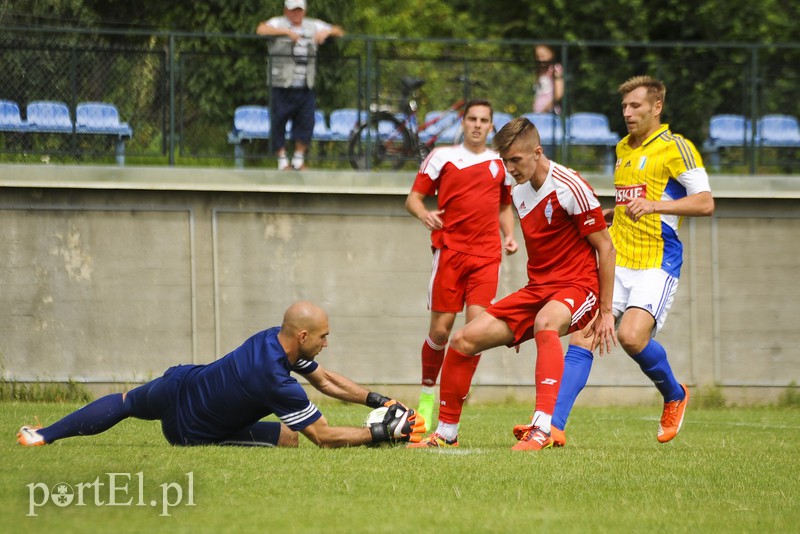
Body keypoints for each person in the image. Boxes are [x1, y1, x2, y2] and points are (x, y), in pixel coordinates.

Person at [409, 117, 617, 451]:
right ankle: (446, 433)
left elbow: (605, 248)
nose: (510, 168)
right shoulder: (518, 191)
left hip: (580, 286)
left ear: (537, 152)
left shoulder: (570, 185)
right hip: (538, 289)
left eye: (516, 160)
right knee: (462, 339)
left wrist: (605, 311)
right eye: (505, 161)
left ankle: (542, 428)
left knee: (545, 322)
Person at [547, 75, 715, 447]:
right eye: (624, 106)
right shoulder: (622, 149)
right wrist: (601, 216)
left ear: (657, 107)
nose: (627, 112)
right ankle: (552, 428)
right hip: (618, 259)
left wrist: (655, 205)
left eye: (635, 105)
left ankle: (674, 394)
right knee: (583, 335)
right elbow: (630, 205)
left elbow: (705, 203)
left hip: (657, 262)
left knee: (631, 337)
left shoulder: (677, 148)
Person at [17, 301, 425, 449]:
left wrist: (381, 401)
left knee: (125, 403)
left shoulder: (272, 339)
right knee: (290, 437)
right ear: (302, 336)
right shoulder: (275, 380)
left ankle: (42, 435)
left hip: (178, 383)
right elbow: (324, 436)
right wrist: (381, 433)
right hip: (191, 432)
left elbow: (325, 380)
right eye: (323, 338)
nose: (326, 344)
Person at [405, 99, 518, 432]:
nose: (478, 125)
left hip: (486, 257)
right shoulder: (441, 156)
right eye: (472, 118)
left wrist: (509, 235)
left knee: (475, 333)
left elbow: (504, 207)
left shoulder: (501, 163)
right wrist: (424, 213)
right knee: (440, 331)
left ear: (491, 125)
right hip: (450, 253)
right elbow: (413, 198)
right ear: (463, 122)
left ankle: (452, 406)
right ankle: (427, 392)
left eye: (485, 120)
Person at [256, 0, 344, 171]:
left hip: (305, 85)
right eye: (292, 10)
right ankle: (282, 161)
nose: (296, 14)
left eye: (299, 10)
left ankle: (298, 159)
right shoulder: (277, 22)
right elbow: (261, 29)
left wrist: (326, 32)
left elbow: (339, 31)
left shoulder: (313, 24)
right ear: (286, 11)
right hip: (281, 84)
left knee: (306, 122)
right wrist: (286, 33)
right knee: (278, 121)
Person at [532, 45, 564, 115]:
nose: (540, 59)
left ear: (551, 54)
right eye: (538, 56)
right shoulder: (540, 71)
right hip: (538, 113)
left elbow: (559, 94)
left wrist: (546, 109)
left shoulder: (555, 69)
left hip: (550, 112)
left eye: (543, 56)